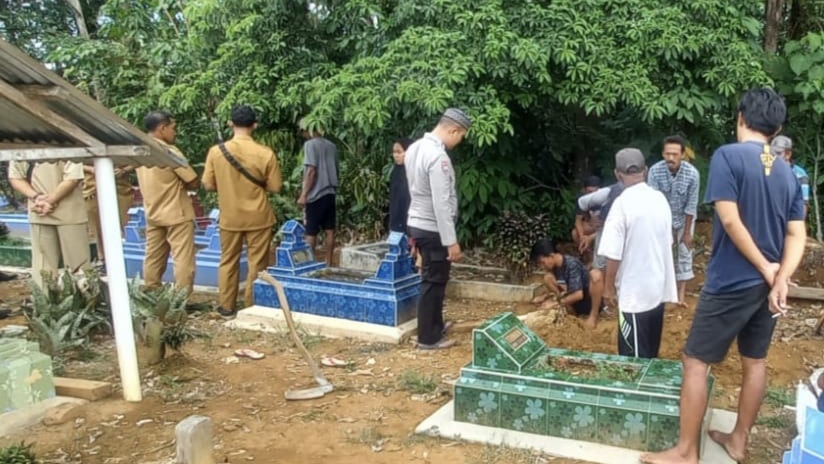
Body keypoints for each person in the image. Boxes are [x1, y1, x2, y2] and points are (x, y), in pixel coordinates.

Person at [641, 88, 806, 464]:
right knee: (755, 362)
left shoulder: (728, 157)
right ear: (776, 126)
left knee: (695, 361)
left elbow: (729, 220)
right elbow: (798, 234)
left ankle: (685, 452)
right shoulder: (787, 172)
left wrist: (766, 268)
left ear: (741, 118)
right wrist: (779, 278)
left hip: (732, 280)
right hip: (766, 286)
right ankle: (738, 441)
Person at [203, 105, 283, 318]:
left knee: (228, 260)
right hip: (258, 216)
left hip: (230, 216)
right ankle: (250, 306)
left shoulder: (216, 152)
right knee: (257, 263)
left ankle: (226, 307)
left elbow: (208, 185)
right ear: (254, 125)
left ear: (231, 123)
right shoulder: (265, 153)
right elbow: (275, 187)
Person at [598, 148, 678, 358]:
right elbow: (668, 242)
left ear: (617, 174)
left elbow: (613, 254)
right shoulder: (660, 199)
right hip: (657, 291)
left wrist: (608, 289)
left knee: (632, 361)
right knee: (650, 355)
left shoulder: (622, 204)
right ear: (646, 170)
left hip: (634, 296)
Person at [405, 108, 471, 350]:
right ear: (453, 130)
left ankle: (434, 325)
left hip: (418, 221)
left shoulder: (415, 148)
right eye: (461, 136)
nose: (459, 141)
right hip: (433, 227)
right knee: (434, 281)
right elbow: (441, 202)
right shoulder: (437, 157)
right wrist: (451, 240)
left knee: (433, 278)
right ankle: (428, 337)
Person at [136, 110, 200, 296]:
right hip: (176, 213)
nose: (175, 132)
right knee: (183, 260)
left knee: (153, 257)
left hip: (153, 213)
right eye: (173, 128)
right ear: (162, 128)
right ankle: (180, 300)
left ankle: (151, 294)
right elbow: (193, 179)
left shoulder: (140, 150)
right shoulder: (168, 152)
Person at [8, 160, 89, 287]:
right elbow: (15, 177)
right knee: (49, 268)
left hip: (53, 211)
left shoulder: (23, 143)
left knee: (73, 266)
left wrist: (39, 199)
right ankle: (51, 303)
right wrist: (42, 199)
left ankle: (65, 303)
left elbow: (73, 178)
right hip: (44, 211)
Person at [647, 135, 701, 307]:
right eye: (668, 154)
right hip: (661, 218)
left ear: (683, 154)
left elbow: (691, 205)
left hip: (684, 217)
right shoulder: (655, 171)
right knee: (663, 255)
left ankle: (680, 296)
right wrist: (665, 229)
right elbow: (653, 203)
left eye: (675, 154)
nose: (671, 158)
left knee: (684, 253)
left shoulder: (692, 174)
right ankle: (663, 295)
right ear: (663, 154)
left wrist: (686, 233)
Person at [572, 181, 625, 328]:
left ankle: (621, 312)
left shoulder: (649, 195)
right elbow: (581, 203)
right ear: (619, 174)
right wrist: (596, 222)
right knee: (597, 274)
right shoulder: (609, 192)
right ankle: (594, 314)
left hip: (631, 239)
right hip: (607, 234)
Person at [529, 239, 603, 324]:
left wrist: (554, 303)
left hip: (586, 301)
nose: (542, 266)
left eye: (542, 262)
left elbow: (578, 295)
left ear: (551, 256)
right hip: (574, 303)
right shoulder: (555, 267)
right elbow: (565, 287)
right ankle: (566, 309)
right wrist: (546, 296)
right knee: (548, 277)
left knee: (595, 275)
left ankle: (593, 315)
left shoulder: (571, 264)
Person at [297, 119, 339, 266]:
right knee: (330, 229)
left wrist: (304, 194)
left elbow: (311, 171)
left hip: (316, 193)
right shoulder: (332, 146)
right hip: (330, 192)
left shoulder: (310, 145)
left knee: (311, 231)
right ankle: (329, 261)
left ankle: (309, 263)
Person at [82, 164, 134, 267]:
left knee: (126, 225)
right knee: (98, 227)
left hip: (121, 188)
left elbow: (138, 160)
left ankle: (127, 259)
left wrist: (124, 170)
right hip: (92, 189)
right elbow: (74, 163)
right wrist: (93, 169)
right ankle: (103, 260)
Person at [771, 135, 809, 217]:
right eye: (772, 153)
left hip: (791, 220)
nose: (774, 157)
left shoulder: (799, 174)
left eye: (778, 153)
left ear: (788, 154)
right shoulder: (768, 171)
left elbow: (803, 205)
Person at [388, 137, 414, 234]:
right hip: (396, 216)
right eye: (394, 152)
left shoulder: (414, 171)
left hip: (411, 217)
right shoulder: (395, 172)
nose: (396, 155)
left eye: (399, 152)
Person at [571, 175, 601, 250]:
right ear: (584, 190)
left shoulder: (607, 197)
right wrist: (582, 237)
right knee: (575, 233)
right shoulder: (581, 199)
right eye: (589, 192)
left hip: (605, 226)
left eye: (595, 192)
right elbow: (578, 221)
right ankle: (586, 253)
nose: (593, 195)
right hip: (591, 225)